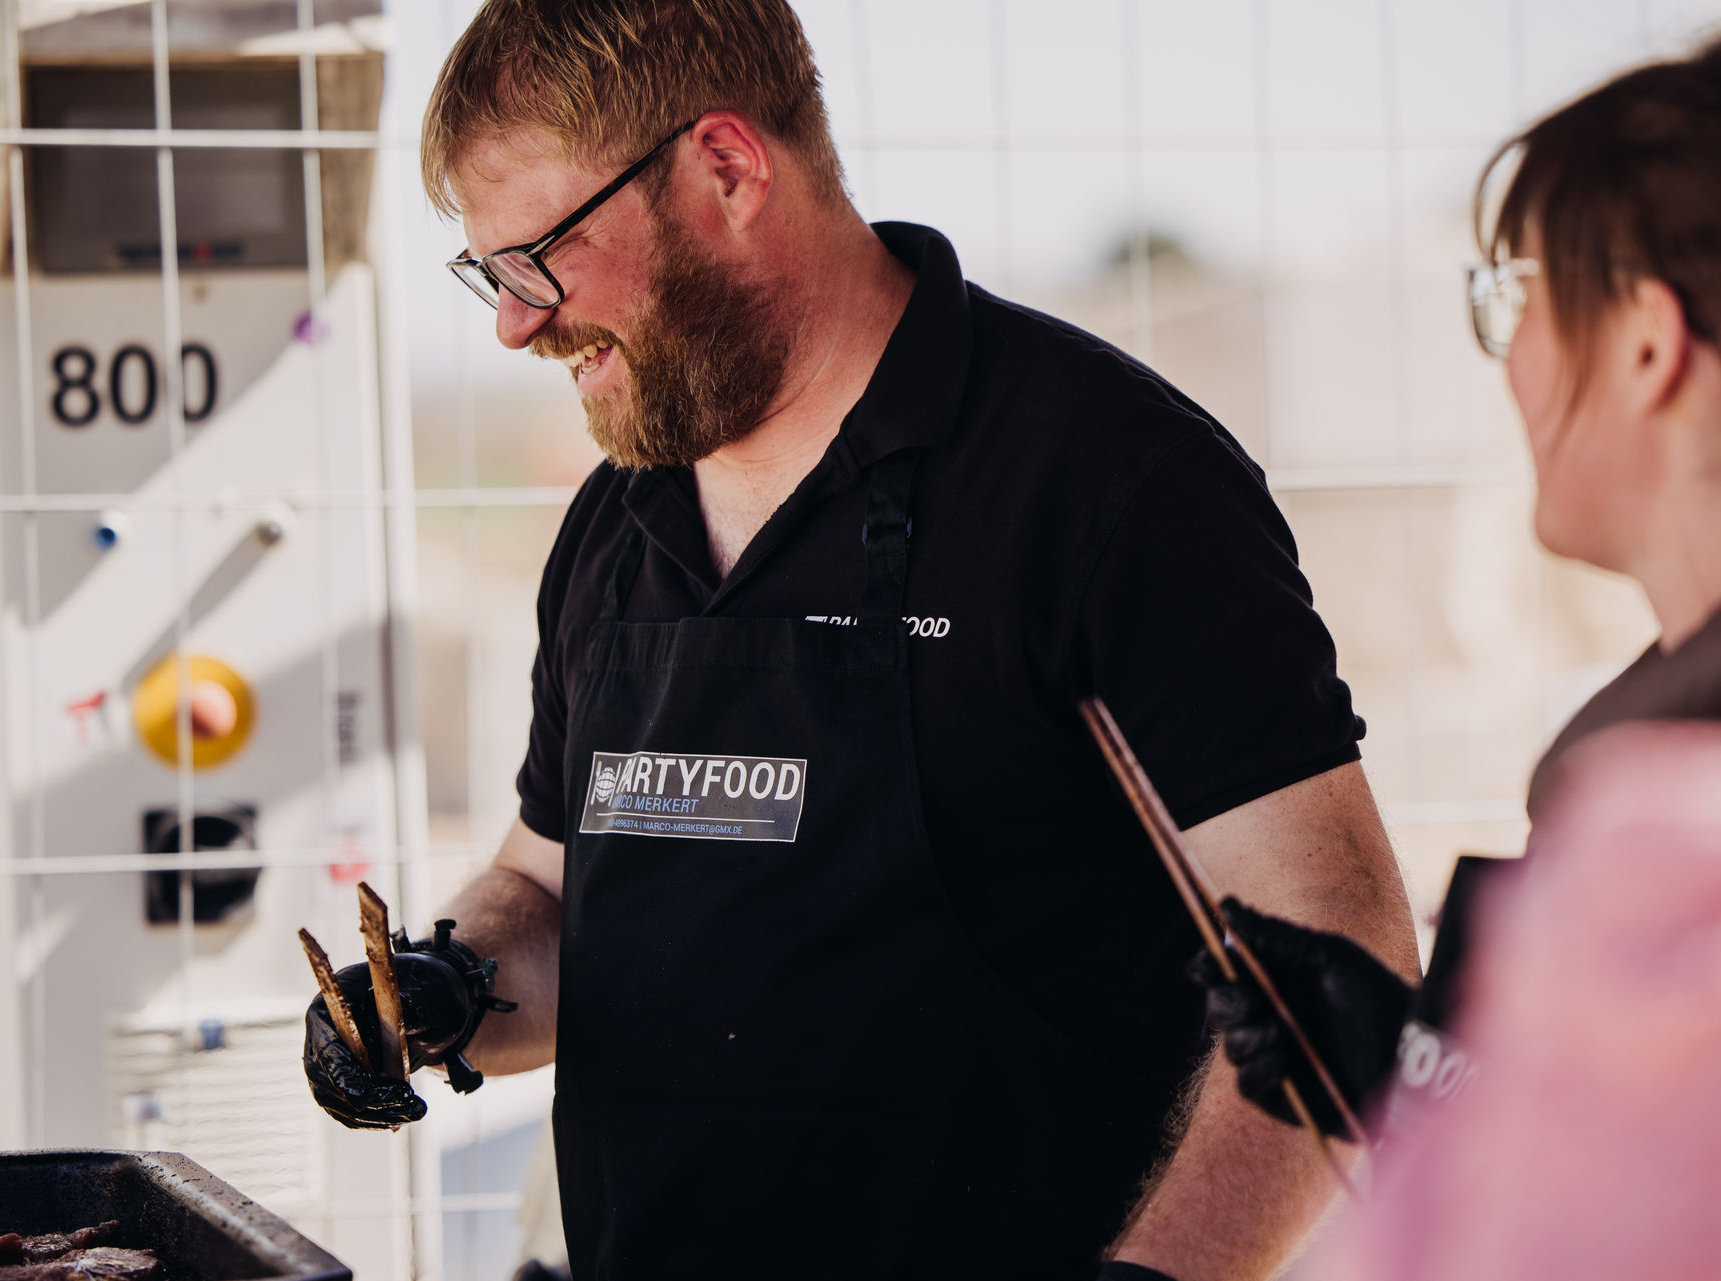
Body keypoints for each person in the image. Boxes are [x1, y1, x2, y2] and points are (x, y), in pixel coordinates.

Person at [303, 2, 1417, 1276]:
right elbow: (551, 896)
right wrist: (437, 991)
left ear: (728, 169)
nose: (514, 323)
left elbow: (1336, 951)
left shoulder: (1105, 482)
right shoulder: (617, 527)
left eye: (538, 258)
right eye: (489, 274)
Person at [1192, 33, 1721, 1151]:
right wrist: (1411, 1057)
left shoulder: (1668, 790)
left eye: (1522, 294)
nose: (1508, 355)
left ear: (1645, 343)